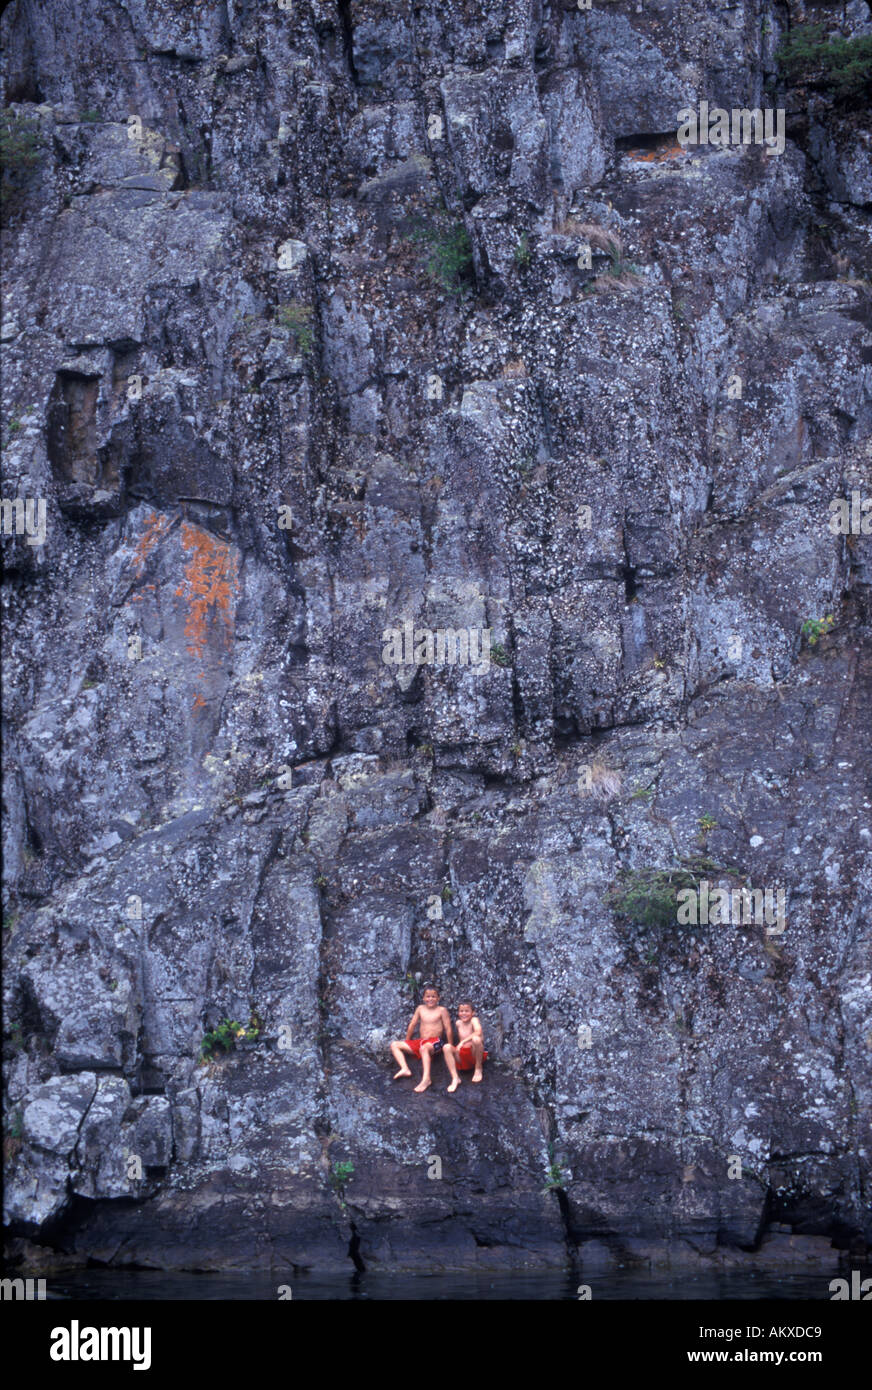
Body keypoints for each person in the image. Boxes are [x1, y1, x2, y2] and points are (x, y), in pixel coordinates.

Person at [390, 986, 461, 1093]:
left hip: (435, 1041)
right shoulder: (420, 1009)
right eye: (428, 996)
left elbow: (448, 1028)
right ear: (423, 998)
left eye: (433, 996)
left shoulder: (442, 1010)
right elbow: (412, 1025)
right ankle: (405, 1068)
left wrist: (450, 1046)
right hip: (421, 1041)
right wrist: (407, 1041)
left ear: (438, 998)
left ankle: (426, 1079)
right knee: (394, 1045)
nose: (430, 999)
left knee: (424, 1048)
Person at [446, 1000, 487, 1083]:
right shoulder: (458, 1023)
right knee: (446, 1047)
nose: (464, 1013)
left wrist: (462, 1042)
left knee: (476, 1039)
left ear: (473, 1013)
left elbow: (478, 1032)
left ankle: (478, 1068)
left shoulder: (474, 1020)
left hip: (473, 1054)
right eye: (461, 1011)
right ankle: (455, 1078)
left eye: (467, 1011)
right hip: (462, 1056)